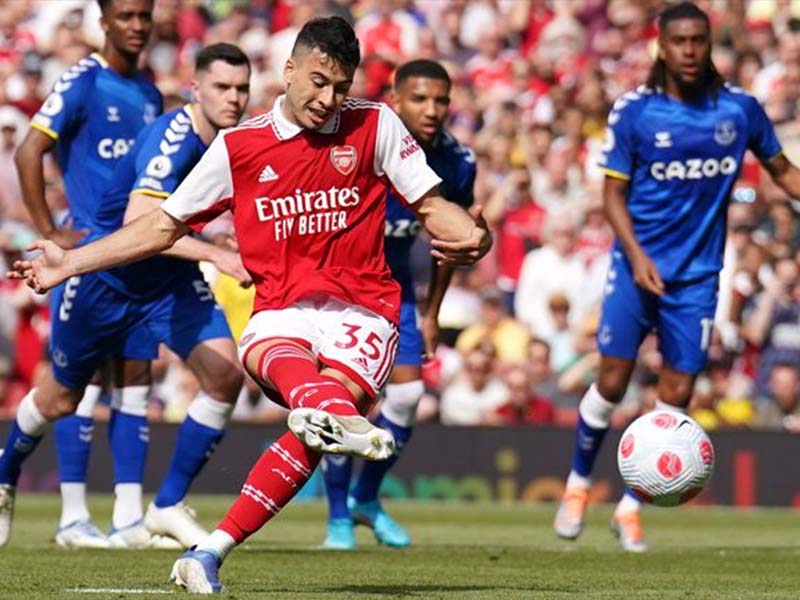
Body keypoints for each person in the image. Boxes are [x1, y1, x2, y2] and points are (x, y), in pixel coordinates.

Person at [9, 16, 491, 593]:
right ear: (289, 70)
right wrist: (70, 261)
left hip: (363, 312)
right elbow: (160, 226)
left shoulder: (375, 123)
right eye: (317, 81)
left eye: (341, 87)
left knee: (313, 436)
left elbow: (435, 206)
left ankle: (209, 551)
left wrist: (475, 237)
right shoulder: (239, 148)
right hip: (281, 310)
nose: (328, 99)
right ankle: (330, 412)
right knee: (305, 396)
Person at [553, 2, 800, 553]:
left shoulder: (739, 111)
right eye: (679, 41)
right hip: (635, 267)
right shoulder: (636, 112)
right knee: (613, 383)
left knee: (679, 390)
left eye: (698, 41)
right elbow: (611, 195)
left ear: (708, 44)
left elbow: (782, 172)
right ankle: (576, 485)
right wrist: (637, 256)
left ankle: (631, 505)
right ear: (661, 46)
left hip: (697, 276)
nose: (690, 51)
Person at [5, 0, 162, 549]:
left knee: (136, 379)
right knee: (78, 387)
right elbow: (29, 151)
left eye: (145, 15)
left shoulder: (148, 90)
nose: (137, 26)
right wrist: (51, 231)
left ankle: (127, 517)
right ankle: (72, 515)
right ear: (105, 21)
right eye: (126, 16)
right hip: (86, 258)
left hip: (136, 258)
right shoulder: (83, 81)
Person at [93, 42, 253, 549]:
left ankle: (165, 507)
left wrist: (218, 241)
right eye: (223, 87)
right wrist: (216, 255)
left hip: (166, 276)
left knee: (225, 376)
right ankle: (23, 490)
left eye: (242, 88)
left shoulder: (225, 142)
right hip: (113, 276)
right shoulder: (175, 138)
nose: (234, 98)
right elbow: (138, 222)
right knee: (59, 397)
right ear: (195, 88)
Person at [319, 58, 476, 551]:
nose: (432, 110)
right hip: (339, 287)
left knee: (408, 399)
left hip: (396, 289)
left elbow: (449, 240)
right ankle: (338, 516)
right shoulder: (360, 142)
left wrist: (431, 313)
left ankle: (367, 498)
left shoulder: (457, 161)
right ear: (395, 99)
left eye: (441, 100)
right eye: (420, 99)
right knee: (344, 403)